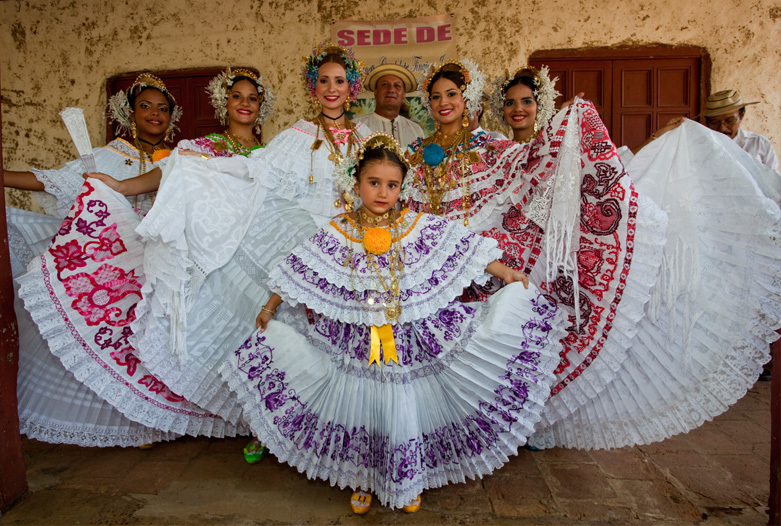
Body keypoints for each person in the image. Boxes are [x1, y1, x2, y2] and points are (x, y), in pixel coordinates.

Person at [406, 60, 781, 450]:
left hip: (485, 261)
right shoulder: (415, 153)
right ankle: (439, 426)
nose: (443, 102)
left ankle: (492, 427)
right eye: (435, 96)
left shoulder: (492, 147)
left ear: (467, 100)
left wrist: (573, 119)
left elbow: (535, 166)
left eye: (452, 94)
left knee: (491, 344)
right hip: (433, 262)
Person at [219, 132, 567, 513]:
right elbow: (299, 268)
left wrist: (504, 271)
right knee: (362, 404)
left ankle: (407, 476)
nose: (382, 192)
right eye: (373, 183)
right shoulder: (339, 230)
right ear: (357, 183)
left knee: (402, 403)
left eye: (392, 184)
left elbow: (461, 246)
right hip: (354, 339)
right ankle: (363, 478)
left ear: (402, 186)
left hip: (409, 337)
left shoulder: (416, 224)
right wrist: (270, 309)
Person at [124, 43, 372, 450]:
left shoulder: (369, 137)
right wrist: (197, 165)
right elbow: (253, 172)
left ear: (352, 88)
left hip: (358, 246)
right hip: (305, 243)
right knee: (291, 333)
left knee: (352, 336)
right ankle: (273, 422)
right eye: (323, 81)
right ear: (313, 88)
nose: (332, 89)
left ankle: (348, 424)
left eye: (340, 82)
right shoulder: (294, 137)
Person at [13, 74, 235, 445]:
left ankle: (163, 413)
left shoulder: (182, 157)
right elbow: (52, 181)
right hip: (119, 261)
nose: (155, 114)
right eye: (146, 106)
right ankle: (131, 421)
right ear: (130, 113)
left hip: (162, 260)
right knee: (120, 338)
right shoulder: (107, 155)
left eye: (163, 109)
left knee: (159, 336)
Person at [702, 89, 778, 171]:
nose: (722, 128)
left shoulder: (759, 143)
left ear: (741, 115)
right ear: (707, 122)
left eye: (730, 120)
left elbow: (772, 179)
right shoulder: (700, 146)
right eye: (714, 122)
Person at [354, 63, 424, 150]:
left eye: (397, 86)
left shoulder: (416, 130)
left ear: (403, 95)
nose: (391, 90)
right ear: (375, 93)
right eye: (385, 85)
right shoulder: (356, 127)